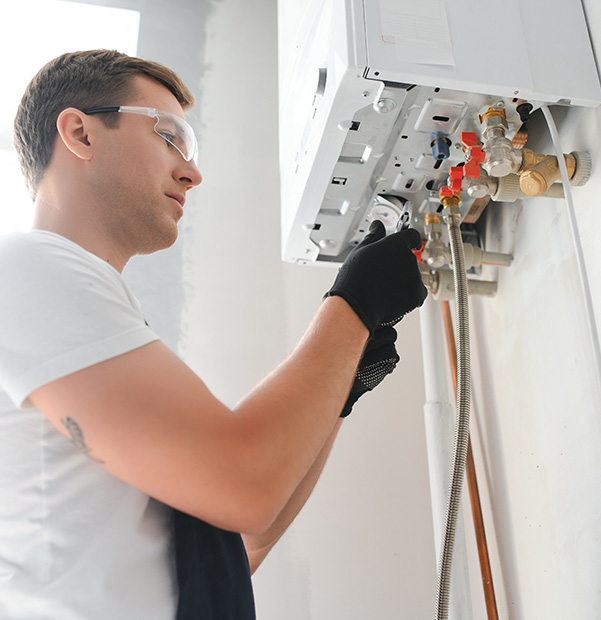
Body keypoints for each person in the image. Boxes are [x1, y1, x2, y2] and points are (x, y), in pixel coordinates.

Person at [0, 49, 427, 619]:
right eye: (169, 136)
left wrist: (342, 382)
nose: (192, 172)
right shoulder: (27, 268)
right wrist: (354, 303)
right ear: (80, 132)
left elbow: (244, 536)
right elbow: (244, 487)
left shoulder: (82, 310)